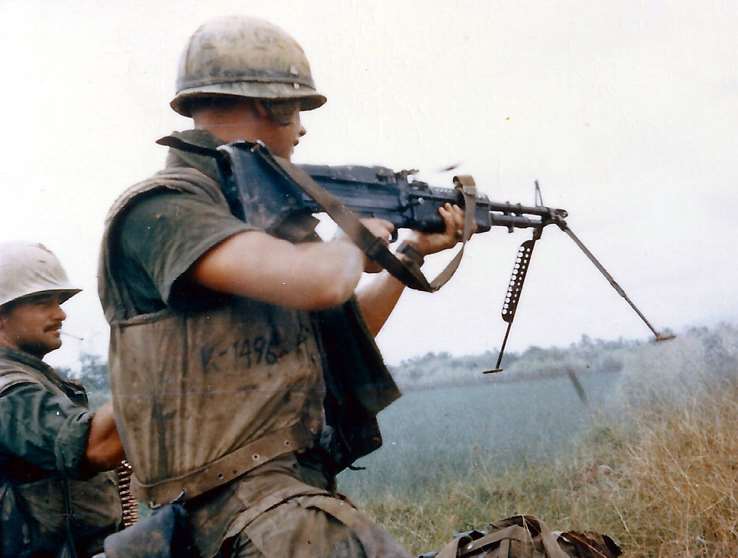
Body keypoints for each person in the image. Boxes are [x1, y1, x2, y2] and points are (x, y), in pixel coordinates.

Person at [98, 16, 470, 558]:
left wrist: (407, 252)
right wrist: (358, 240)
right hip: (244, 507)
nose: (301, 130)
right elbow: (316, 282)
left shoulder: (263, 225)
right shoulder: (164, 207)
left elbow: (338, 331)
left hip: (281, 500)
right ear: (268, 104)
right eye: (296, 110)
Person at [0, 241, 124, 557]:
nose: (61, 314)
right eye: (44, 302)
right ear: (2, 316)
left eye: (59, 301)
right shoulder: (9, 391)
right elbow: (92, 446)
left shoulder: (38, 380)